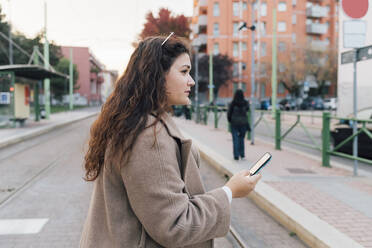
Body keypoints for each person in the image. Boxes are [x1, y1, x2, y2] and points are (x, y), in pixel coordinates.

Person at [80, 34, 261, 248]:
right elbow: (175, 225)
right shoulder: (148, 136)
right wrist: (229, 192)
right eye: (184, 71)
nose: (191, 80)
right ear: (157, 76)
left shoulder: (134, 123)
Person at [227, 89, 250, 161]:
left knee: (235, 139)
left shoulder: (232, 103)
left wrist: (230, 120)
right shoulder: (245, 103)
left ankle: (236, 156)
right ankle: (242, 155)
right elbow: (247, 110)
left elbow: (229, 113)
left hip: (234, 123)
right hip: (243, 124)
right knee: (241, 139)